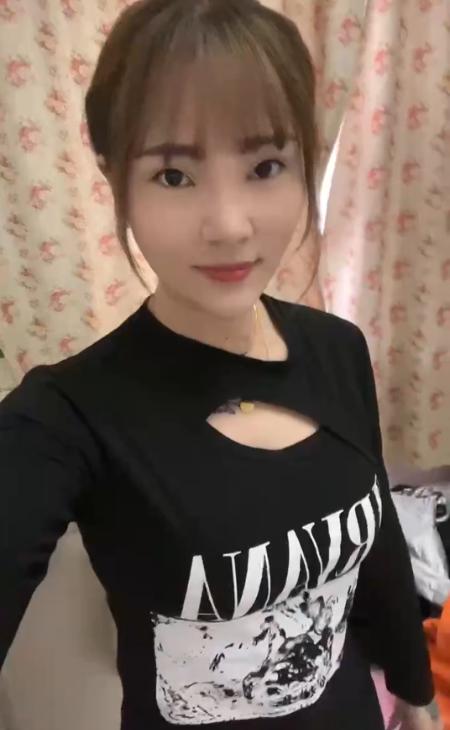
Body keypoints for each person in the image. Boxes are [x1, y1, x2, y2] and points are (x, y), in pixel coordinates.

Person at [0, 1, 441, 728]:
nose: (230, 225)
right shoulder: (69, 417)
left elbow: (380, 550)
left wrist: (416, 694)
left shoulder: (336, 348)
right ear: (115, 176)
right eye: (174, 175)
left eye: (265, 166)